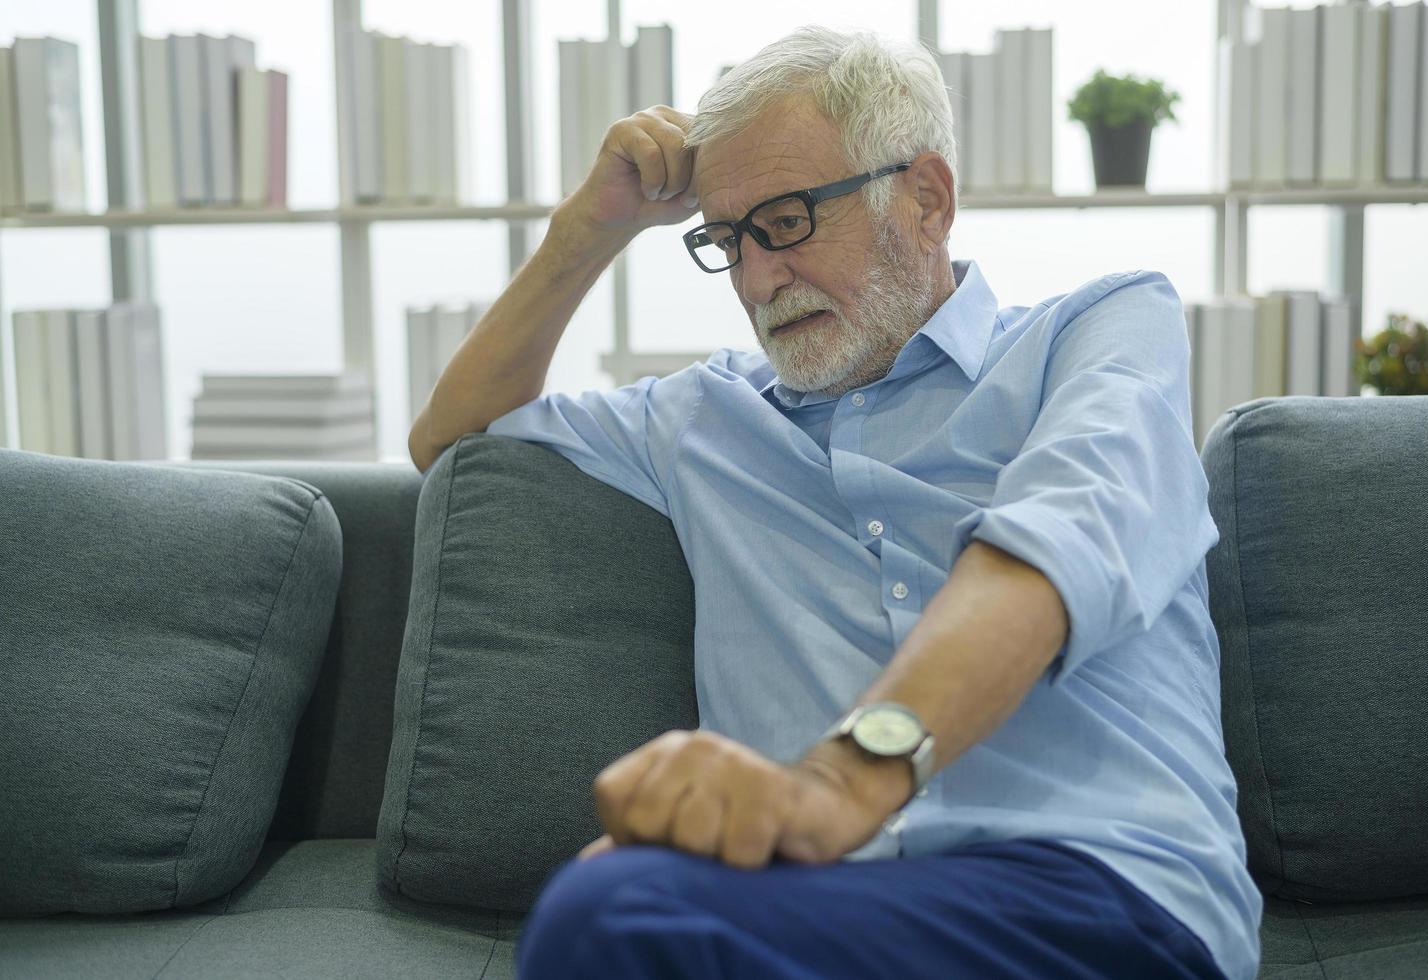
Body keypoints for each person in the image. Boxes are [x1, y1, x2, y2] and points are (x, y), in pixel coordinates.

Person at [408, 25, 1262, 980]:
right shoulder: (696, 416)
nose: (754, 278)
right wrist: (588, 227)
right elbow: (451, 442)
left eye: (784, 222)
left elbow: (1058, 543)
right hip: (813, 911)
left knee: (609, 914)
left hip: (1101, 892)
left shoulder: (1098, 331)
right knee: (611, 911)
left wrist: (835, 784)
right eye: (724, 241)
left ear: (927, 198)